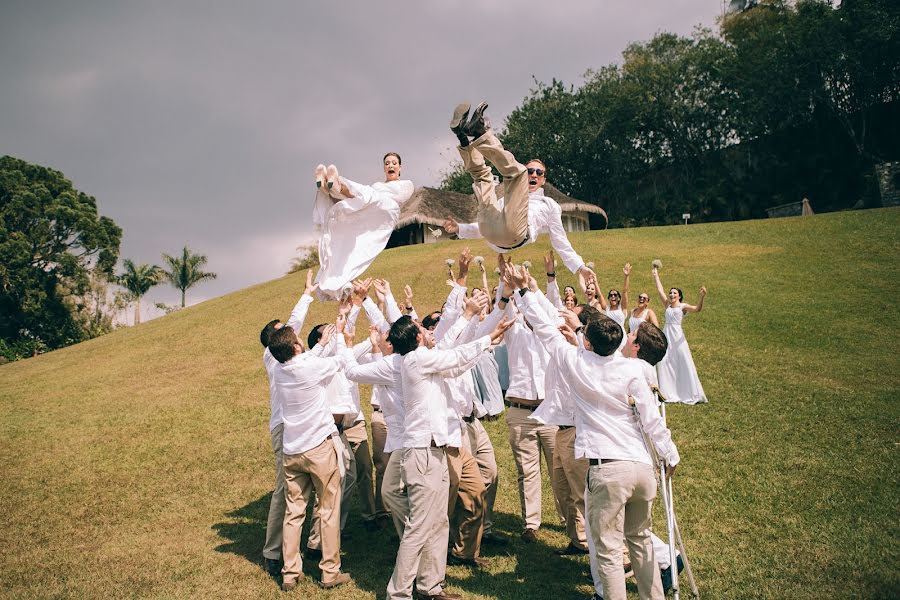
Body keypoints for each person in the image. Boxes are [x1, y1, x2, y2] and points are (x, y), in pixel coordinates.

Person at [508, 264, 680, 600]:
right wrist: (670, 453)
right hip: (642, 468)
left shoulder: (576, 363)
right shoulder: (631, 368)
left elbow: (544, 329)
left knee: (608, 551)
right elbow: (651, 419)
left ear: (586, 340)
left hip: (608, 470)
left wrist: (524, 291)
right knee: (640, 540)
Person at [385, 311, 510, 600]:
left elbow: (455, 364)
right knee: (419, 526)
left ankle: (431, 586)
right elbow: (453, 358)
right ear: (417, 337)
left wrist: (485, 344)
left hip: (437, 449)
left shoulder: (423, 360)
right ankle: (398, 593)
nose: (428, 332)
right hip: (423, 453)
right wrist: (488, 338)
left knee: (440, 521)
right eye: (421, 328)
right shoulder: (417, 359)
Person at [442, 101, 595, 281]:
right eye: (531, 171)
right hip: (490, 233)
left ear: (544, 180)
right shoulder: (507, 199)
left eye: (539, 173)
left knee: (517, 173)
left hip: (515, 235)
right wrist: (460, 228)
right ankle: (462, 137)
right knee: (482, 178)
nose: (534, 175)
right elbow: (490, 223)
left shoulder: (550, 204)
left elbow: (560, 240)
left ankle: (480, 133)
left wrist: (580, 267)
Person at [268, 311, 355, 591]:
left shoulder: (278, 369)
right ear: (296, 347)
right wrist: (339, 335)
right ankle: (330, 571)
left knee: (294, 513)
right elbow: (341, 361)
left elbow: (307, 358)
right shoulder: (310, 367)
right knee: (328, 509)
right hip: (318, 448)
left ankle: (290, 572)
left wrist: (320, 343)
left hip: (292, 451)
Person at [258, 270, 320, 578]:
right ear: (271, 342)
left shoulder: (289, 358)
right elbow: (294, 323)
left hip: (301, 426)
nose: (292, 332)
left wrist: (308, 293)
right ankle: (272, 553)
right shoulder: (273, 357)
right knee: (285, 490)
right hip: (284, 427)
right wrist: (306, 295)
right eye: (283, 331)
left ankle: (306, 545)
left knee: (302, 490)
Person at [311, 153, 414, 300]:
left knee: (365, 194)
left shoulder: (406, 184)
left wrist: (370, 194)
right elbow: (365, 198)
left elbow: (397, 196)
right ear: (384, 168)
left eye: (394, 163)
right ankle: (329, 187)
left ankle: (338, 185)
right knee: (350, 205)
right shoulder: (376, 186)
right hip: (372, 210)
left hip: (387, 212)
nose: (390, 165)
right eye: (387, 163)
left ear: (400, 167)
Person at [652, 266, 708, 404]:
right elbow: (660, 290)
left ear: (679, 296)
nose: (671, 295)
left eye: (674, 293)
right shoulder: (667, 305)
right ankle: (666, 390)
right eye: (670, 293)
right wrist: (656, 275)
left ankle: (688, 390)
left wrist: (701, 296)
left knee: (682, 360)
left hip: (677, 336)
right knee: (664, 361)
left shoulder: (682, 306)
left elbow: (697, 309)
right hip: (667, 334)